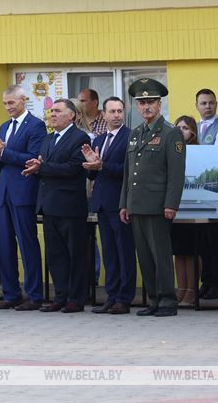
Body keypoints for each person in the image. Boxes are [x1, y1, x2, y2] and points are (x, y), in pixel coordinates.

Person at [120, 78, 185, 317]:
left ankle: (167, 301)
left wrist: (171, 204)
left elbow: (176, 173)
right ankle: (154, 300)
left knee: (161, 256)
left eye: (151, 102)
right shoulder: (136, 133)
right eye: (142, 102)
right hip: (136, 205)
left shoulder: (171, 133)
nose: (146, 106)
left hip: (158, 206)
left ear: (159, 104)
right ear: (137, 106)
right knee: (145, 257)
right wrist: (124, 204)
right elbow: (128, 173)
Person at [23, 99, 91, 312]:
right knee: (55, 255)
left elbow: (73, 168)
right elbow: (44, 166)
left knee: (75, 254)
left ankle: (76, 299)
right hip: (49, 205)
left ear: (71, 116)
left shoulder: (80, 137)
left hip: (70, 206)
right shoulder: (48, 138)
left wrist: (42, 167)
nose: (52, 114)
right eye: (51, 111)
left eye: (58, 111)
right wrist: (36, 167)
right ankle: (60, 296)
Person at [0, 85, 46, 311]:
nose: (8, 107)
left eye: (11, 102)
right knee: (4, 244)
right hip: (3, 192)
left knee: (27, 244)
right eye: (5, 103)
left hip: (23, 191)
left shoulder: (36, 125)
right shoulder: (4, 126)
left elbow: (32, 158)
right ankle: (11, 293)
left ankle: (34, 294)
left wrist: (3, 152)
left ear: (23, 100)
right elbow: (1, 160)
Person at [83, 97, 135, 314]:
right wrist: (91, 164)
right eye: (112, 111)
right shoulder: (100, 138)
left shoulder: (130, 136)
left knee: (124, 252)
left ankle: (124, 298)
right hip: (102, 203)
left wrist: (102, 165)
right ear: (103, 114)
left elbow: (129, 170)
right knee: (109, 253)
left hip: (120, 203)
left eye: (120, 111)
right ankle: (111, 296)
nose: (116, 115)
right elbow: (93, 174)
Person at [194, 88, 218, 302]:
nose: (207, 106)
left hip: (215, 192)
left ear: (216, 104)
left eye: (211, 102)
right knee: (202, 241)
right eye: (203, 103)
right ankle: (206, 281)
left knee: (215, 240)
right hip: (196, 193)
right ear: (197, 106)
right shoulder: (195, 127)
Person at [170, 115, 199, 307]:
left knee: (191, 252)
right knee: (178, 252)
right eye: (178, 128)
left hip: (194, 208)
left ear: (193, 132)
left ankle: (192, 290)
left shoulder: (198, 151)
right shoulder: (172, 149)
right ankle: (181, 288)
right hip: (175, 207)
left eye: (186, 128)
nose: (182, 131)